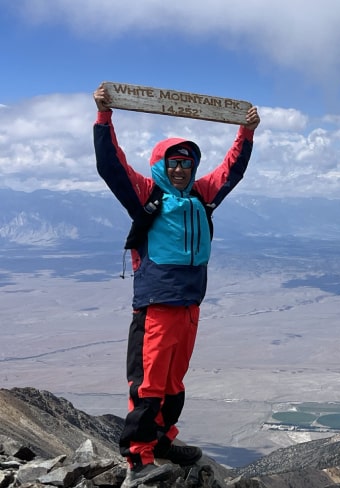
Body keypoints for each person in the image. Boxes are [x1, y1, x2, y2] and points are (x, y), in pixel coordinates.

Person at [92, 83, 260, 485]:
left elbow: (231, 171)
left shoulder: (202, 196)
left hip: (189, 306)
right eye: (173, 163)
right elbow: (110, 167)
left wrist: (246, 133)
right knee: (149, 384)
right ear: (161, 166)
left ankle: (163, 442)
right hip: (156, 306)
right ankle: (138, 459)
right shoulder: (147, 194)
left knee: (173, 384)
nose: (181, 169)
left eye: (186, 162)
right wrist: (103, 117)